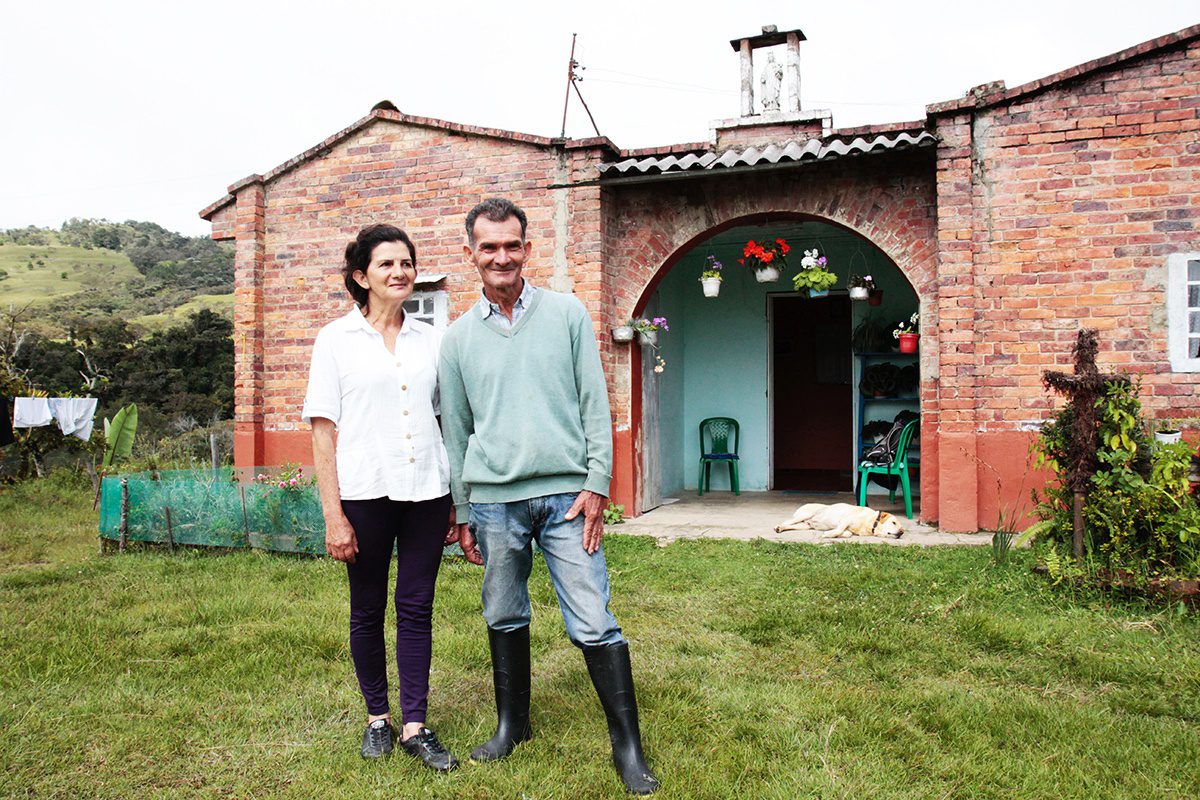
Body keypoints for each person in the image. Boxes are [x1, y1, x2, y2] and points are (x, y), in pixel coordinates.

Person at [440, 198, 659, 795]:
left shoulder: (567, 315)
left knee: (593, 617)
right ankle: (512, 726)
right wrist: (463, 511)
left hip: (568, 497)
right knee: (503, 611)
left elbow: (595, 403)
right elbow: (456, 433)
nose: (501, 256)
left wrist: (597, 483)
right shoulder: (456, 340)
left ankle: (627, 746)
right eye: (489, 247)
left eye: (512, 245)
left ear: (527, 248)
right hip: (494, 502)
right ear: (471, 254)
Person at [302, 223, 458, 771]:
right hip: (365, 492)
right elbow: (323, 431)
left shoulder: (432, 340)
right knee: (367, 607)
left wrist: (455, 499)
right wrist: (333, 515)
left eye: (406, 262)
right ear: (361, 276)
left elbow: (447, 418)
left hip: (426, 491)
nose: (400, 272)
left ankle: (414, 724)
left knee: (416, 606)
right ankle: (377, 718)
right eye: (387, 263)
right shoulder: (335, 340)